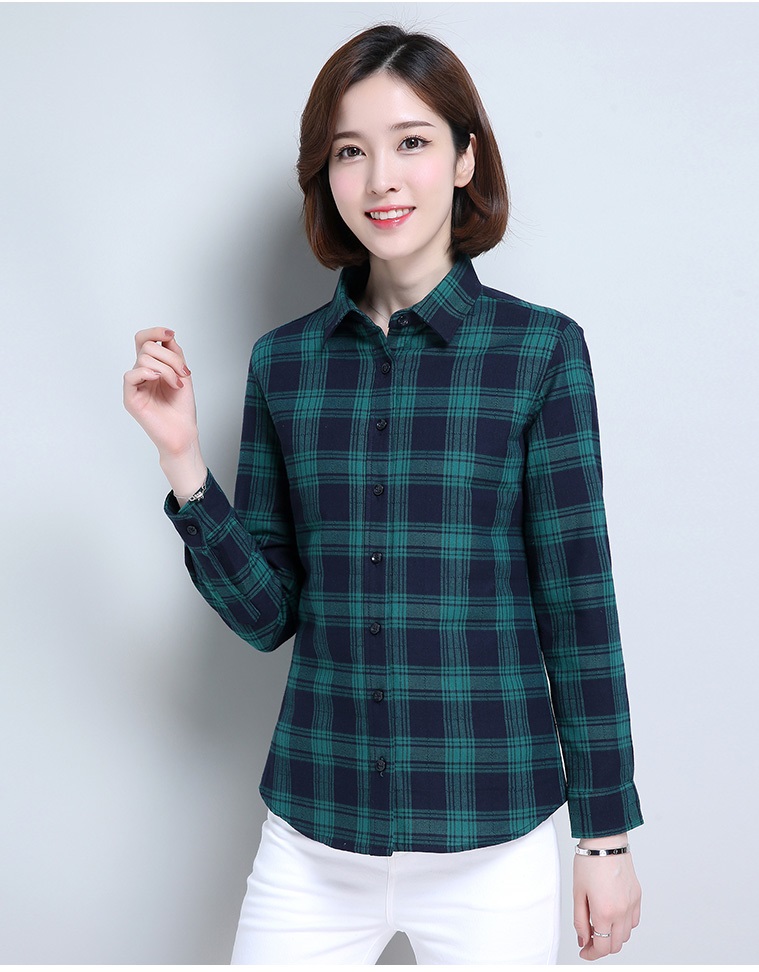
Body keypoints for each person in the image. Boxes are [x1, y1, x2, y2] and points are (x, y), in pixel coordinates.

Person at [124, 24, 643, 966]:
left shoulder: (540, 353)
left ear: (465, 158)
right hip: (316, 830)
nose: (381, 180)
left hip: (493, 835)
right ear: (325, 176)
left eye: (411, 142)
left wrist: (603, 839)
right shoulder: (284, 365)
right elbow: (267, 616)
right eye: (350, 152)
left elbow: (579, 606)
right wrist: (185, 463)